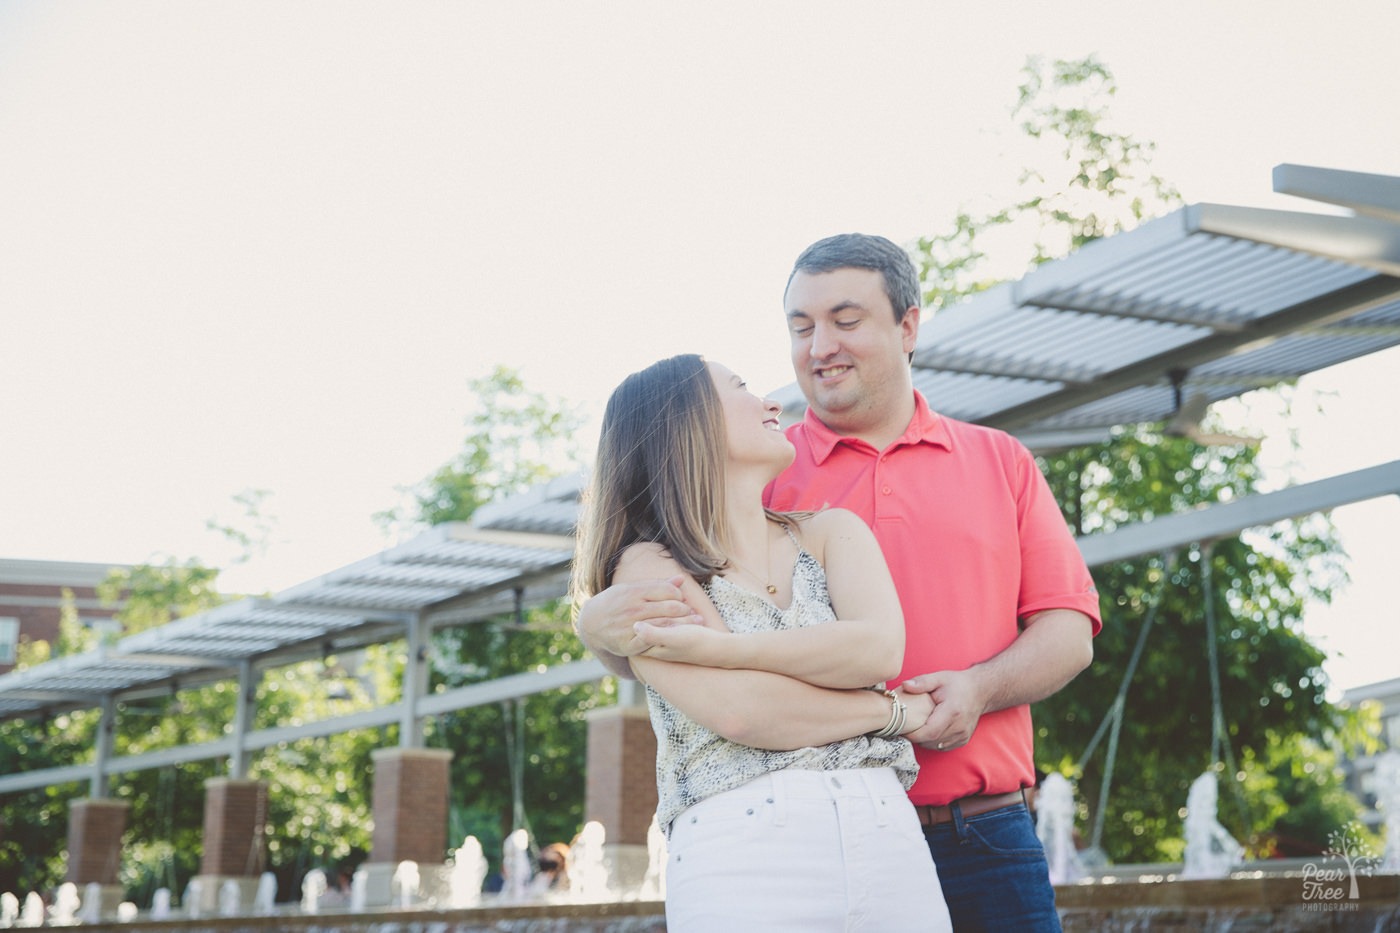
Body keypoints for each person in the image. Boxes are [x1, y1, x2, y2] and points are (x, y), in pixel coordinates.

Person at [576, 234, 1102, 931]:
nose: (818, 344)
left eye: (845, 320)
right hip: (811, 823)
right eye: (800, 326)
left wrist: (978, 689)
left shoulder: (999, 460)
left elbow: (1068, 630)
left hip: (983, 829)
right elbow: (663, 624)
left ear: (907, 325)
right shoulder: (756, 465)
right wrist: (592, 626)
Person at [572, 353, 952, 932]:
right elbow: (744, 714)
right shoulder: (648, 566)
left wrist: (723, 651)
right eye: (742, 387)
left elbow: (877, 652)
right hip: (745, 847)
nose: (772, 402)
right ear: (686, 423)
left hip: (885, 830)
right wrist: (893, 711)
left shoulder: (832, 532)